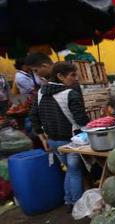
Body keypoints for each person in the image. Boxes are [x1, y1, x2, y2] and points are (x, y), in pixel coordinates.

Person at [30, 62, 89, 211]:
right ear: (60, 76)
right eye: (72, 75)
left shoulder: (40, 93)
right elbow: (81, 120)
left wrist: (43, 138)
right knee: (75, 171)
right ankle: (76, 203)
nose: (76, 78)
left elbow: (33, 116)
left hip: (53, 141)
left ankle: (68, 200)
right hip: (71, 141)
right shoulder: (70, 94)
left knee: (70, 169)